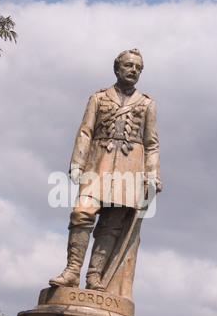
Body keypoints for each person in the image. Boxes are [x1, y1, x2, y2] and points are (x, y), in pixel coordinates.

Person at [49, 49, 161, 292]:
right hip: (97, 165)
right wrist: (77, 163)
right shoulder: (98, 98)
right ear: (117, 68)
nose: (133, 70)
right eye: (129, 65)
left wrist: (152, 175)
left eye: (138, 68)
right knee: (81, 213)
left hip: (130, 169)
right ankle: (71, 271)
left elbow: (152, 143)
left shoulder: (147, 103)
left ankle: (94, 276)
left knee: (111, 226)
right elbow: (85, 131)